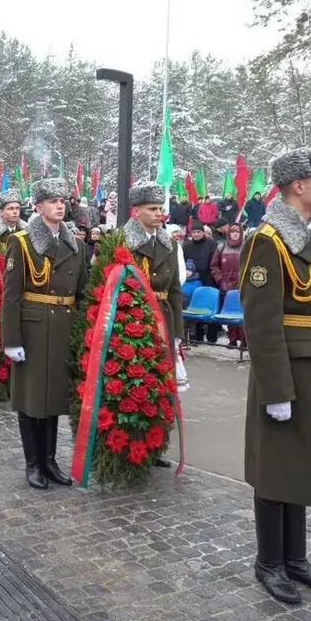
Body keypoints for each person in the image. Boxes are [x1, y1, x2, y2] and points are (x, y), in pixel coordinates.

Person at [238, 146, 311, 604]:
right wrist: (276, 390)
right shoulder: (267, 240)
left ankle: (296, 559)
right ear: (298, 186)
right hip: (288, 367)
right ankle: (269, 562)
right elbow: (261, 323)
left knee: (303, 461)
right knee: (276, 467)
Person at [3, 178, 87, 490]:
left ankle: (50, 461)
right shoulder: (22, 242)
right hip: (33, 329)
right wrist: (11, 340)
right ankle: (33, 463)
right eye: (52, 201)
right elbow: (11, 295)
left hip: (63, 327)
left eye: (62, 201)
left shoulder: (75, 244)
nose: (59, 206)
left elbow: (82, 291)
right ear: (38, 207)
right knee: (31, 398)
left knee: (53, 398)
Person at [120, 182, 183, 468]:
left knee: (160, 384)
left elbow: (175, 290)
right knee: (134, 383)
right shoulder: (122, 241)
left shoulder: (169, 243)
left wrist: (178, 332)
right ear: (136, 212)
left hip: (163, 320)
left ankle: (154, 445)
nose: (160, 214)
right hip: (133, 319)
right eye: (153, 209)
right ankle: (129, 444)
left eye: (161, 208)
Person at [210, 222, 246, 349]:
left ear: (241, 233)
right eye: (233, 232)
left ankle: (244, 341)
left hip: (242, 286)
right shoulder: (221, 247)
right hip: (226, 286)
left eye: (237, 232)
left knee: (243, 313)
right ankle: (232, 340)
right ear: (229, 233)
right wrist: (221, 281)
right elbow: (214, 266)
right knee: (230, 314)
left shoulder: (246, 246)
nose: (235, 234)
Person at [183, 221, 219, 342]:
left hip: (209, 280)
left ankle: (212, 337)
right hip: (192, 282)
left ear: (203, 232)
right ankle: (197, 336)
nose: (196, 234)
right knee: (195, 307)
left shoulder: (212, 244)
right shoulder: (186, 246)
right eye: (194, 232)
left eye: (199, 232)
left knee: (211, 308)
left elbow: (214, 263)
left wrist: (210, 280)